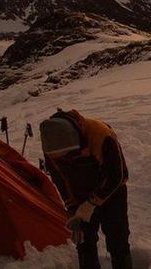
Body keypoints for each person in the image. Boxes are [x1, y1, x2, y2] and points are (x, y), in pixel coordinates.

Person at [40, 109, 132, 269]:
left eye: (68, 154)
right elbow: (60, 179)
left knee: (118, 238)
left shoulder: (101, 135)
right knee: (84, 241)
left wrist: (91, 204)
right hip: (79, 193)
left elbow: (117, 175)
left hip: (112, 191)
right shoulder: (51, 143)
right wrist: (73, 207)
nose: (64, 158)